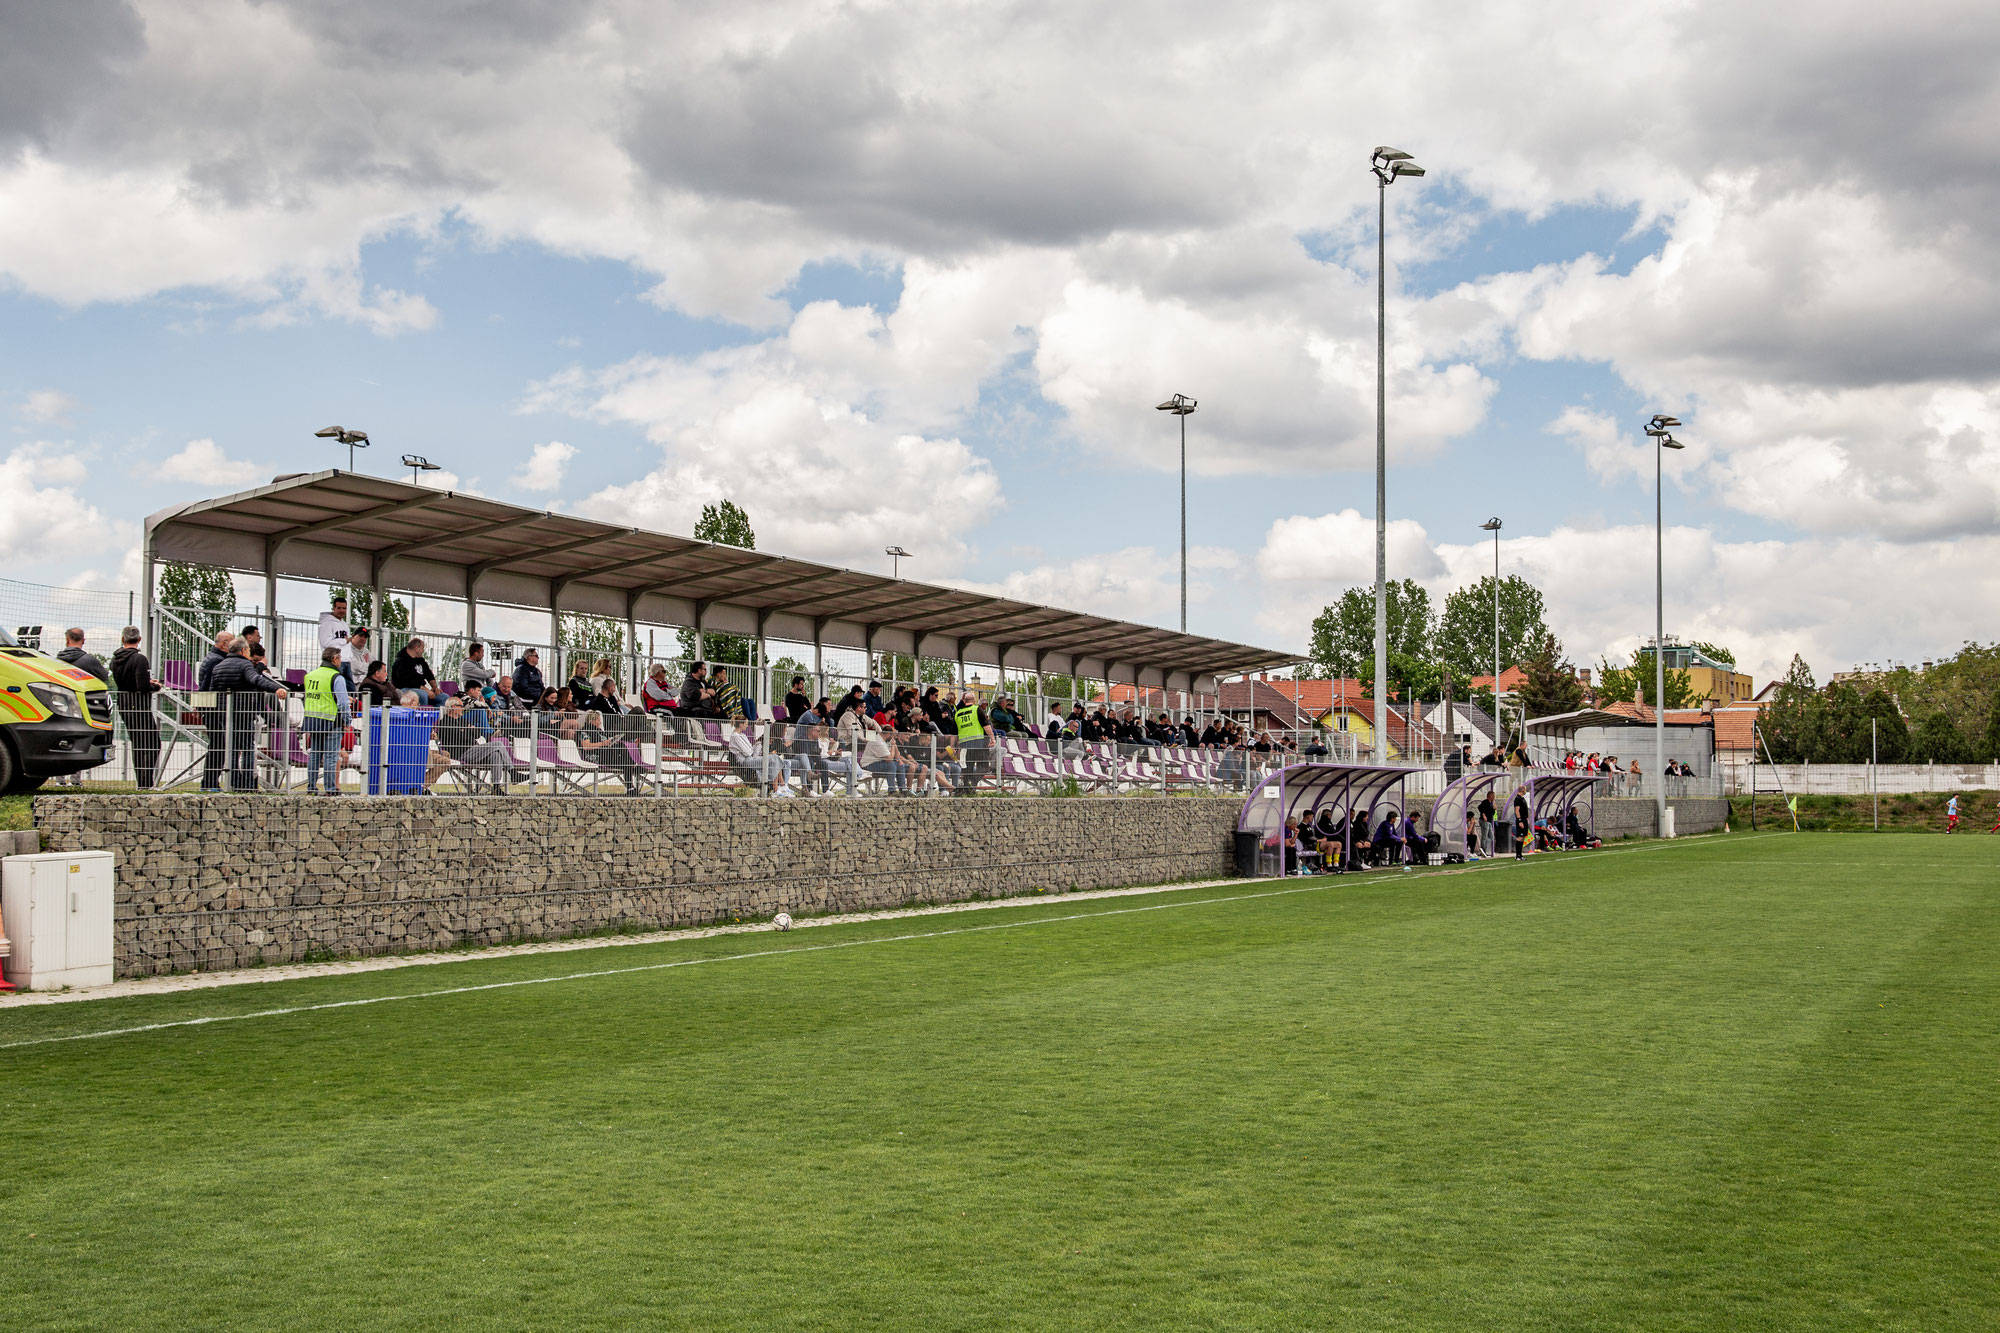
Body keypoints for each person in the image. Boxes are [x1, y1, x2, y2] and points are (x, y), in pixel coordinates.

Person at [208, 635, 288, 792]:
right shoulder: (244, 665)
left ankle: (232, 783)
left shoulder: (219, 666)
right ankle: (246, 785)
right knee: (247, 748)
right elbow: (257, 680)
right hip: (244, 713)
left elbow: (212, 690)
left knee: (231, 749)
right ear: (244, 650)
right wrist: (276, 688)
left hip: (224, 713)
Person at [109, 626, 163, 789]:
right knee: (153, 744)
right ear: (139, 639)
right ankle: (146, 782)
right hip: (138, 705)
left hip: (124, 703)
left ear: (122, 639)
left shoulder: (115, 659)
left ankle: (143, 782)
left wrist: (146, 682)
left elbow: (128, 680)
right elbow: (141, 686)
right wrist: (155, 687)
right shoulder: (139, 659)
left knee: (138, 743)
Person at [301, 646, 352, 796]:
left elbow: (307, 698)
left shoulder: (310, 675)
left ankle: (311, 787)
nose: (340, 662)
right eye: (340, 659)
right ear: (335, 659)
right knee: (331, 755)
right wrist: (347, 721)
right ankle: (330, 790)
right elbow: (343, 703)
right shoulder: (336, 677)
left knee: (315, 755)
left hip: (313, 720)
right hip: (331, 721)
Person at [195, 628, 235, 792]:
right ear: (225, 644)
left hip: (211, 707)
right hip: (214, 709)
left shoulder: (212, 658)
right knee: (218, 745)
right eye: (231, 642)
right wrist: (202, 706)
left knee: (218, 745)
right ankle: (210, 782)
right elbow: (206, 686)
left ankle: (211, 782)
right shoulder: (216, 661)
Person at [724, 716, 790, 795]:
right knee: (774, 758)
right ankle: (776, 785)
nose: (747, 726)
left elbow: (750, 749)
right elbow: (748, 752)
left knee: (774, 758)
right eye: (746, 724)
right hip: (746, 761)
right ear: (741, 724)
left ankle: (776, 788)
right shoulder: (735, 736)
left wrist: (749, 749)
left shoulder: (742, 735)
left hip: (750, 758)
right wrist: (749, 749)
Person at [390, 639, 441, 705]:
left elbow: (428, 674)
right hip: (404, 689)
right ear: (416, 648)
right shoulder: (401, 662)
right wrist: (426, 690)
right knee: (422, 695)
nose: (423, 650)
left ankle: (436, 715)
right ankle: (421, 714)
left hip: (421, 688)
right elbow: (410, 681)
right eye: (422, 648)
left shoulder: (420, 660)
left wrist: (435, 687)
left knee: (443, 697)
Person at [318, 597, 351, 664]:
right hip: (332, 662)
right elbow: (327, 644)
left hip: (346, 661)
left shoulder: (345, 625)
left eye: (344, 608)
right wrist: (344, 641)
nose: (341, 611)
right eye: (339, 608)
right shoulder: (327, 623)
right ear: (334, 608)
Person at [1511, 789, 1532, 860]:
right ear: (1523, 790)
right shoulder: (1518, 799)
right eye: (1525, 789)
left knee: (1523, 837)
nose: (1526, 791)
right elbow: (1517, 810)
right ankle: (1517, 855)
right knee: (1520, 837)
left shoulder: (1522, 798)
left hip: (1524, 819)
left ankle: (1520, 855)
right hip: (1521, 820)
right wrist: (1520, 821)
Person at [1476, 792, 1496, 856]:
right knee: (1484, 835)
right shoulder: (1485, 802)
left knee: (1491, 836)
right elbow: (1480, 808)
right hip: (1484, 821)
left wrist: (1494, 804)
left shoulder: (1491, 803)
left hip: (1489, 821)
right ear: (1490, 796)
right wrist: (1483, 815)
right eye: (1493, 796)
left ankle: (1483, 847)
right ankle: (1483, 849)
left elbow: (1494, 809)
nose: (1494, 797)